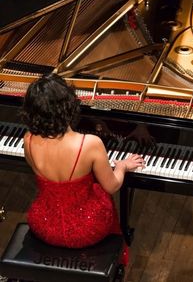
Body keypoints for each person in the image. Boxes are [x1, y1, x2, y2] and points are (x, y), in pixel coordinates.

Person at [22, 73, 145, 262]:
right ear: (69, 105)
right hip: (87, 229)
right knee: (102, 196)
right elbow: (112, 186)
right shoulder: (89, 144)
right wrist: (122, 167)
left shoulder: (28, 139)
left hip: (44, 225)